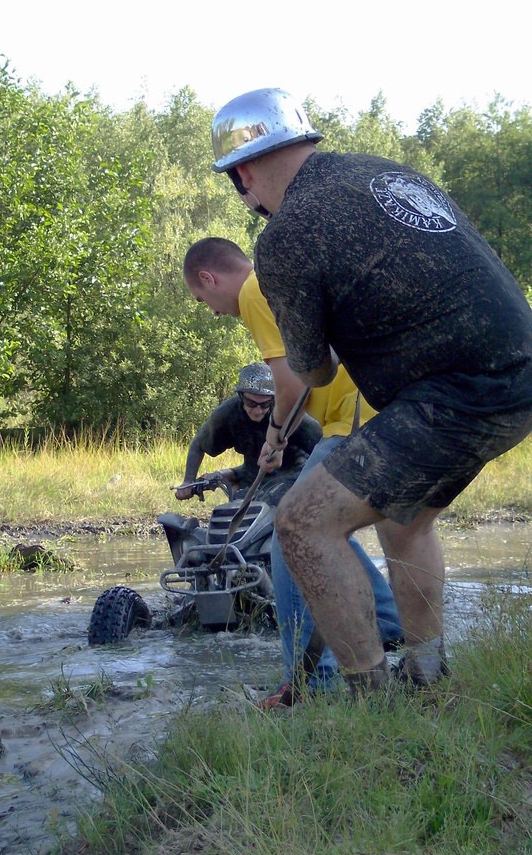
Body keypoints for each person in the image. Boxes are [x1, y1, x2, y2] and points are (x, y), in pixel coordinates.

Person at [208, 87, 532, 695]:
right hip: (518, 372)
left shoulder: (286, 232)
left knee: (301, 525)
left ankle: (370, 699)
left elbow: (314, 374)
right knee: (405, 521)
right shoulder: (386, 174)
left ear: (242, 176)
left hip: (454, 391)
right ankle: (427, 676)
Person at [182, 239, 403, 704]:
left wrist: (273, 436)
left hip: (354, 420)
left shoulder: (255, 291)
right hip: (372, 411)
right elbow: (305, 378)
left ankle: (310, 683)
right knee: (327, 531)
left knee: (290, 531)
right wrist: (277, 438)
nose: (213, 311)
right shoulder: (276, 284)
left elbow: (284, 385)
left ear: (209, 278)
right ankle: (388, 626)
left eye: (203, 300)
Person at [175, 362, 321, 506]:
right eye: (251, 403)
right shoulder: (227, 414)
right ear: (241, 396)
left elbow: (324, 446)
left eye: (265, 404)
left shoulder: (290, 414)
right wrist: (188, 481)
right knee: (236, 510)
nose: (258, 411)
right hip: (252, 478)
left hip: (293, 476)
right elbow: (199, 444)